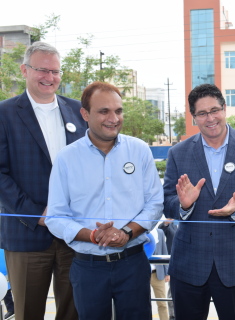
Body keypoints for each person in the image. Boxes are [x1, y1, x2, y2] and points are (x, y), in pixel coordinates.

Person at [45, 81, 164, 320]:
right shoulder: (66, 158)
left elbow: (155, 204)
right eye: (104, 111)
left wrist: (126, 233)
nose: (114, 118)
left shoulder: (139, 150)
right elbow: (56, 216)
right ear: (85, 114)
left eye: (118, 111)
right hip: (87, 268)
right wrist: (91, 235)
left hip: (132, 264)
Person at [163, 83, 235, 320]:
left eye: (215, 110)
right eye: (202, 113)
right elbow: (167, 202)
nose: (210, 118)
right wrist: (184, 205)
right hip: (188, 264)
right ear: (194, 117)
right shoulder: (178, 152)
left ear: (224, 108)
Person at [0, 41, 87, 320]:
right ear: (25, 70)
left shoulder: (79, 111)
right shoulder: (4, 114)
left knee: (74, 312)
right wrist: (37, 214)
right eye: (42, 70)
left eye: (56, 71)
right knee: (27, 312)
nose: (50, 78)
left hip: (74, 234)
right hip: (26, 233)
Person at [159, 218, 177, 319]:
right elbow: (161, 229)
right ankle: (172, 315)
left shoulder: (185, 225)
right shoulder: (170, 225)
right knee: (172, 290)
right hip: (172, 261)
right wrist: (166, 222)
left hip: (185, 262)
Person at [151, 228, 170, 320]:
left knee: (162, 303)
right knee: (143, 303)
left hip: (158, 274)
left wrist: (167, 273)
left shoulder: (160, 232)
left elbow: (164, 251)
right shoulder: (140, 232)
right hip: (142, 274)